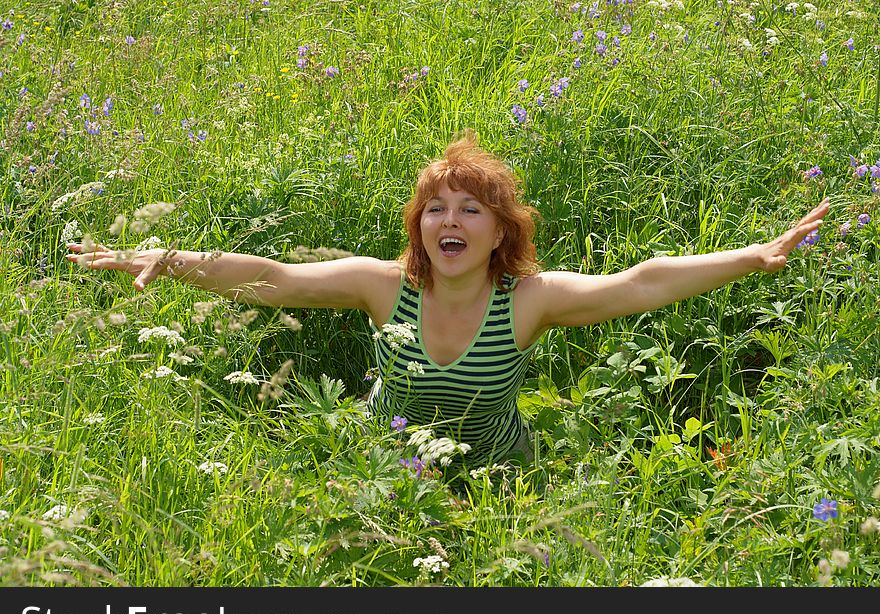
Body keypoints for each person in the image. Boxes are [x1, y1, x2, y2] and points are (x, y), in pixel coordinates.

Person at [66, 132, 829, 468]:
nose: (450, 220)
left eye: (470, 209)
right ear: (419, 227)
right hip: (387, 464)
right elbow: (273, 277)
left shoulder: (529, 300)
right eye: (437, 208)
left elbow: (644, 280)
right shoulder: (382, 287)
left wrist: (753, 257)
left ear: (500, 233)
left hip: (500, 477)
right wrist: (165, 259)